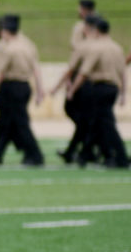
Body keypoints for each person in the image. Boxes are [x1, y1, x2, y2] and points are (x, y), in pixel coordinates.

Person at [0, 15, 45, 165]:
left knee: (18, 122)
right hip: (24, 86)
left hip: (10, 87)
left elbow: (0, 72)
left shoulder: (8, 48)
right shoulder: (28, 44)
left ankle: (34, 154)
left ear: (5, 31)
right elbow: (36, 69)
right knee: (8, 121)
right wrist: (39, 90)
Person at [67, 17, 128, 168]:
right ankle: (86, 154)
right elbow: (123, 73)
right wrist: (123, 93)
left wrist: (72, 89)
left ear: (96, 31)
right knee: (97, 122)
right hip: (112, 88)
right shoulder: (117, 47)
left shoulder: (96, 48)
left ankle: (121, 157)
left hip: (99, 88)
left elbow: (84, 72)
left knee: (106, 124)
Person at [52, 14, 97, 163]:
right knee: (87, 122)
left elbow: (75, 70)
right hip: (96, 86)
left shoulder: (84, 46)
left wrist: (64, 87)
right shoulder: (102, 45)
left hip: (85, 86)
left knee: (85, 121)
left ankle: (87, 149)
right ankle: (81, 150)